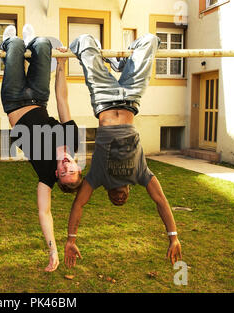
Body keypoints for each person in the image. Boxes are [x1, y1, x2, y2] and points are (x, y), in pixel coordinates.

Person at [63, 33, 182, 268]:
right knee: (150, 40)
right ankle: (124, 64)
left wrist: (70, 239)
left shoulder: (98, 177)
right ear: (129, 190)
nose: (119, 198)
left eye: (114, 199)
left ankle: (114, 60)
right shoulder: (140, 174)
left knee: (85, 41)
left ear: (107, 193)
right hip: (131, 99)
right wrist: (173, 236)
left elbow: (78, 205)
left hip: (104, 99)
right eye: (122, 199)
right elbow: (160, 200)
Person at [0, 24, 82, 272]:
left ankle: (9, 42)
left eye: (64, 171)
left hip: (14, 100)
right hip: (39, 97)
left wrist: (53, 249)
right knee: (44, 44)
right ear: (78, 165)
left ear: (57, 174)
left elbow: (45, 213)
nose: (67, 165)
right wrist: (61, 68)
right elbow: (63, 102)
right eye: (73, 169)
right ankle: (31, 41)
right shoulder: (74, 141)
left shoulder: (46, 175)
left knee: (13, 45)